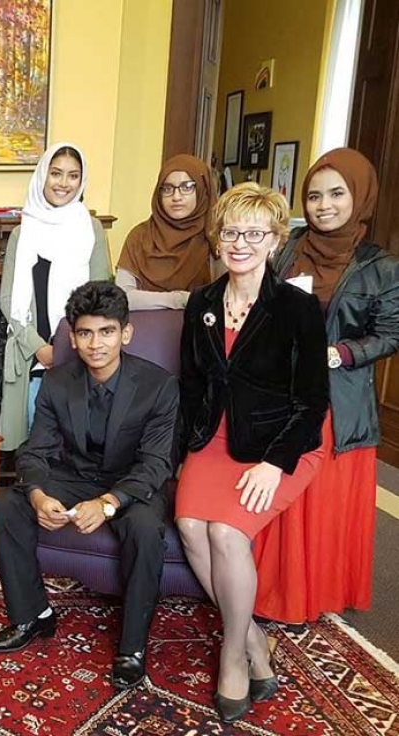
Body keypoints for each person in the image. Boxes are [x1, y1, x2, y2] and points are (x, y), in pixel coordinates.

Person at [175, 182, 329, 723]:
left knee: (225, 532)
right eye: (231, 231)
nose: (241, 242)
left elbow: (313, 402)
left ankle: (233, 655)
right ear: (217, 238)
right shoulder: (202, 302)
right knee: (192, 526)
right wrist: (177, 456)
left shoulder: (299, 308)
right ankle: (256, 638)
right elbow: (191, 389)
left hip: (281, 443)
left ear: (274, 240)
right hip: (214, 438)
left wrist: (274, 462)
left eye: (254, 233)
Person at [0, 282, 178, 692]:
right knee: (6, 503)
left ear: (126, 333)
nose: (95, 344)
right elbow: (36, 452)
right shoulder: (57, 382)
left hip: (131, 483)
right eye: (85, 333)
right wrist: (37, 495)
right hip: (73, 476)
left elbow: (157, 462)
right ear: (73, 337)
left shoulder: (158, 385)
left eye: (106, 332)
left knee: (144, 527)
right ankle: (31, 616)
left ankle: (132, 648)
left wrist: (108, 503)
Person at [254, 148, 399, 622]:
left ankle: (319, 594)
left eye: (337, 194)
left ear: (359, 197)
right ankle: (274, 593)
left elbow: (391, 334)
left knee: (323, 505)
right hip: (286, 391)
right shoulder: (290, 246)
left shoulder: (380, 266)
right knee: (283, 496)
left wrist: (341, 353)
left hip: (340, 402)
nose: (324, 205)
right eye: (314, 195)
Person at [0, 142, 110, 451]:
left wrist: (69, 348)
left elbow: (102, 299)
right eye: (56, 173)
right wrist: (41, 350)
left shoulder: (92, 229)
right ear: (41, 177)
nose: (64, 183)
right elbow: (9, 302)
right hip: (34, 358)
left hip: (80, 353)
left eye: (73, 176)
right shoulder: (23, 232)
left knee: (79, 449)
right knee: (35, 447)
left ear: (82, 181)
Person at [116, 154, 217, 310]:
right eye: (168, 188)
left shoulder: (215, 237)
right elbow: (122, 297)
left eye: (187, 187)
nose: (176, 197)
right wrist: (180, 299)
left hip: (200, 331)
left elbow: (225, 298)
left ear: (202, 190)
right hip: (142, 331)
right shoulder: (140, 236)